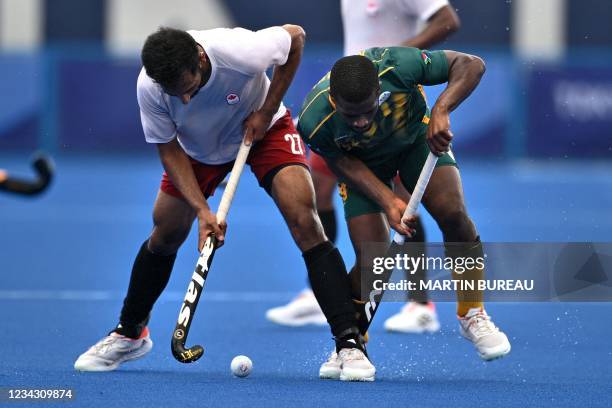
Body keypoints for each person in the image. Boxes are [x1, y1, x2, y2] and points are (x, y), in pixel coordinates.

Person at [73, 25, 362, 374]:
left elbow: (297, 37)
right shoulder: (150, 86)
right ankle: (130, 333)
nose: (183, 100)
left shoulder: (241, 51)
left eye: (189, 89)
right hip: (197, 151)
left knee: (304, 219)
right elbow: (169, 150)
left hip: (265, 130)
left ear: (199, 57)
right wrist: (202, 211)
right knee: (165, 232)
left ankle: (348, 343)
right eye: (174, 93)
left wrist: (267, 109)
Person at [297, 47, 511, 381]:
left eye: (368, 110)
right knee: (373, 257)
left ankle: (472, 313)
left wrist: (441, 109)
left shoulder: (398, 67)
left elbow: (471, 65)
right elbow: (342, 163)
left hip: (416, 143)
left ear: (378, 91)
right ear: (336, 104)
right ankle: (352, 344)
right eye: (352, 116)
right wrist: (388, 201)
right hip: (362, 165)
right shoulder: (315, 119)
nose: (362, 121)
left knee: (452, 213)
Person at [266, 0, 460, 333]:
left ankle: (420, 303)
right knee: (318, 189)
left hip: (387, 101)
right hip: (349, 100)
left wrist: (391, 61)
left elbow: (447, 21)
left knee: (402, 200)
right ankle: (320, 293)